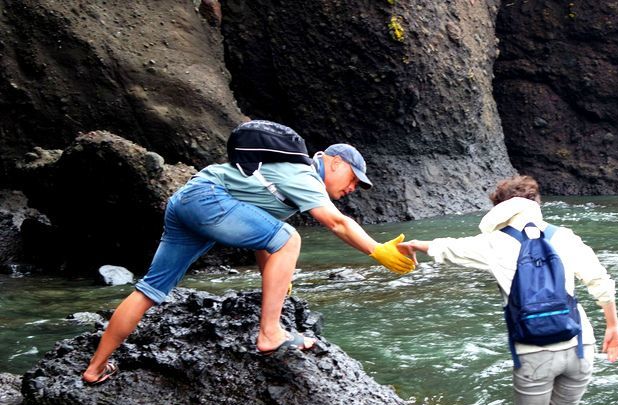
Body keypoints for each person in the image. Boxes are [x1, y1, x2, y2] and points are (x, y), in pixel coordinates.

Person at [82, 120, 415, 384]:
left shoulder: (289, 175)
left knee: (151, 289)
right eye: (353, 178)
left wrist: (277, 279)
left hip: (187, 200)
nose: (353, 187)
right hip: (208, 199)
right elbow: (337, 223)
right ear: (334, 162)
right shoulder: (304, 173)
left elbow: (262, 235)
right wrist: (377, 250)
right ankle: (269, 334)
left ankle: (95, 368)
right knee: (291, 238)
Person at [401, 175, 618, 405]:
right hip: (581, 345)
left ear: (499, 208)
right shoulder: (564, 236)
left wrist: (416, 245)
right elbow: (599, 280)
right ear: (536, 203)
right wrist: (613, 326)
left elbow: (449, 247)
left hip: (533, 352)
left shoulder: (494, 243)